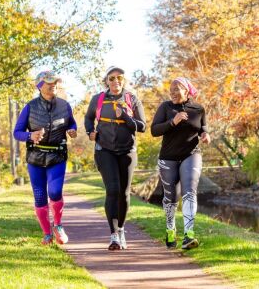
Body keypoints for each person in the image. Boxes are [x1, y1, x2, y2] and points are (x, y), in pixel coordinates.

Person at [84, 66, 146, 250]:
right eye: (111, 78)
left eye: (119, 77)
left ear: (124, 80)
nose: (115, 81)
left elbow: (142, 126)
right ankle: (113, 236)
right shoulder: (98, 99)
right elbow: (88, 118)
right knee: (112, 190)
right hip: (105, 150)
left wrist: (125, 116)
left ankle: (121, 229)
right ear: (107, 81)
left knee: (124, 193)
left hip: (127, 151)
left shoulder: (132, 99)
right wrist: (90, 131)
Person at [14, 71, 77, 245]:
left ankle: (58, 225)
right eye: (50, 82)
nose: (54, 85)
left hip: (57, 155)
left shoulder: (64, 105)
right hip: (35, 157)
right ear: (40, 86)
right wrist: (30, 135)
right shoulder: (30, 107)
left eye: (56, 82)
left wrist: (72, 129)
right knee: (40, 197)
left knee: (55, 192)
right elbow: (17, 132)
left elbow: (71, 122)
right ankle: (47, 234)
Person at [151, 77, 211, 250]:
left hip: (191, 155)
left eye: (177, 89)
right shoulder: (165, 107)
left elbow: (203, 127)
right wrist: (173, 121)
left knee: (189, 191)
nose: (173, 92)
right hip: (168, 157)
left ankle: (188, 235)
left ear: (187, 90)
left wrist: (205, 135)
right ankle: (170, 229)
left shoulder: (198, 109)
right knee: (170, 197)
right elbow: (154, 130)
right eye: (171, 90)